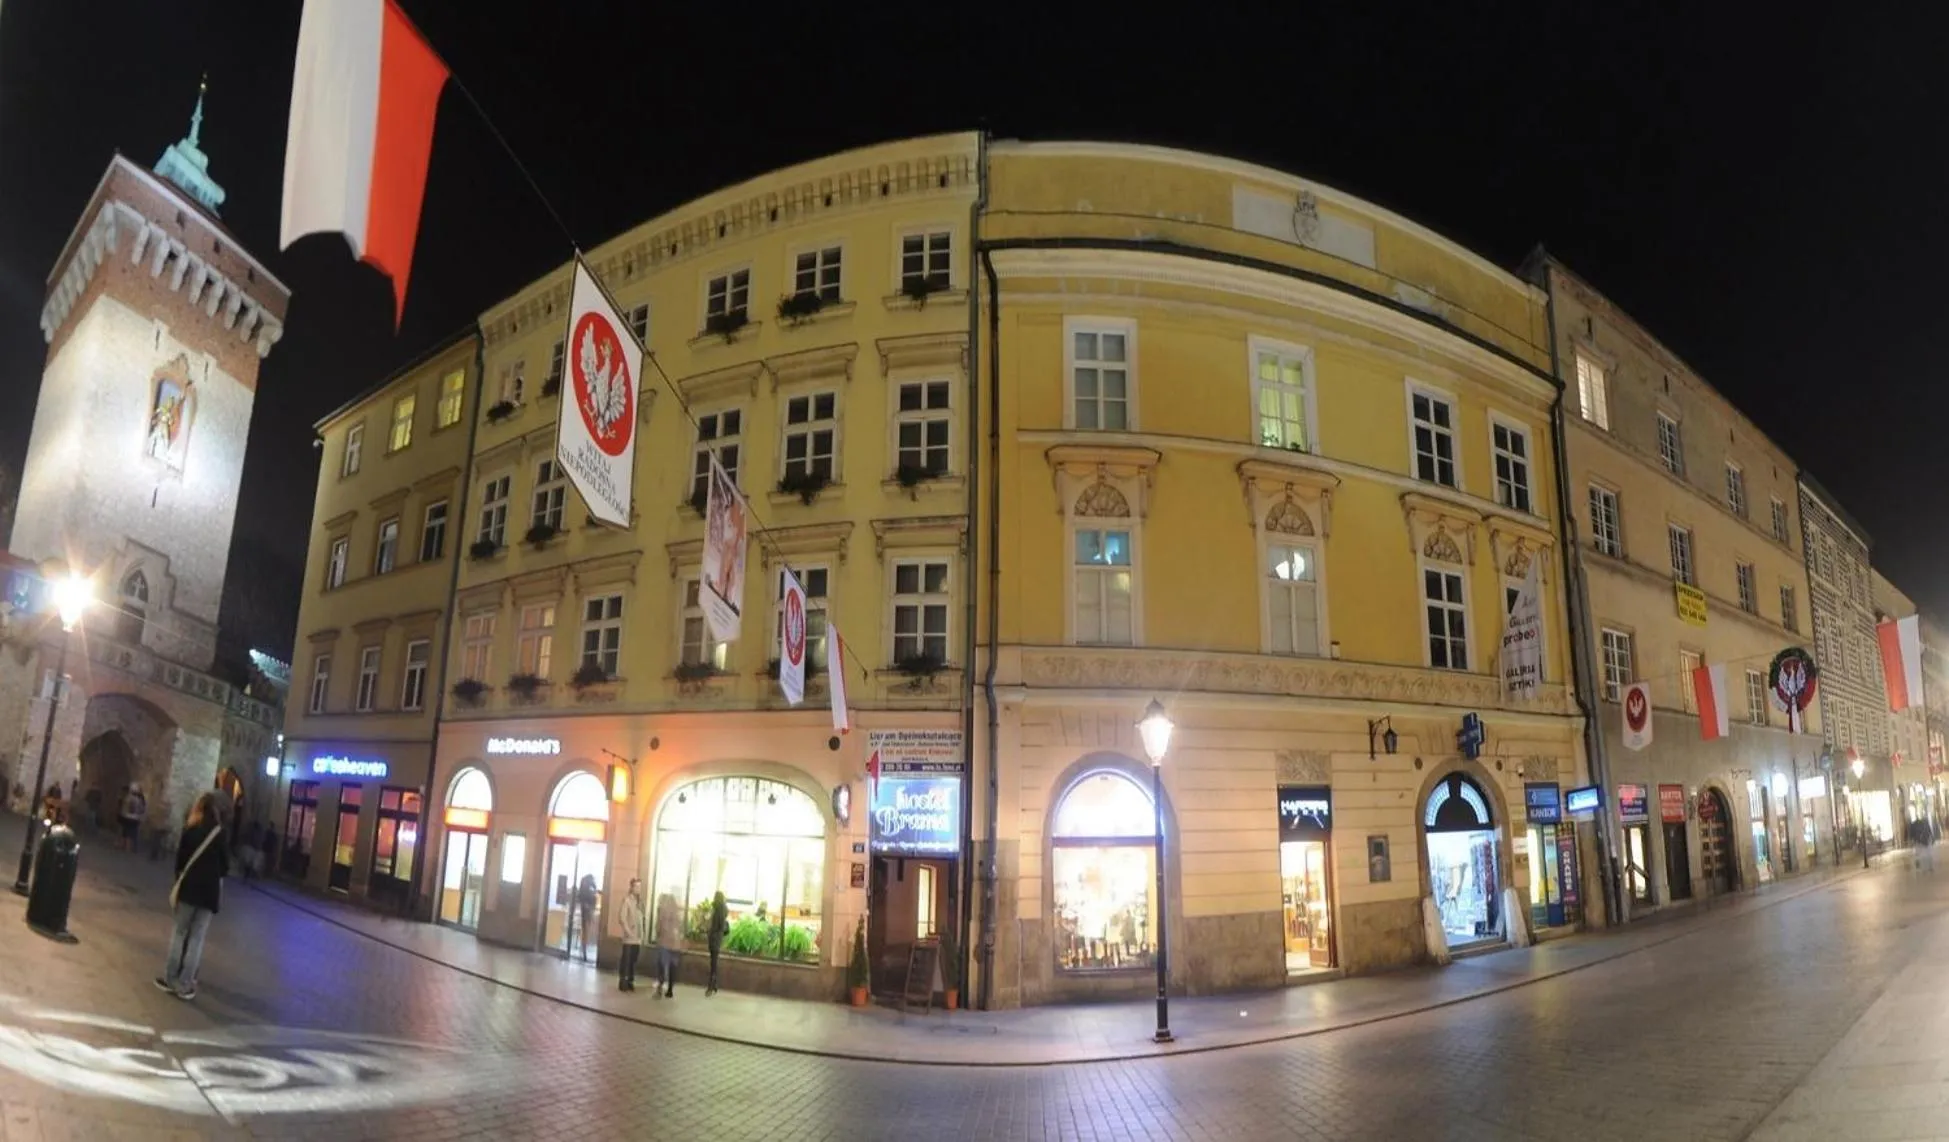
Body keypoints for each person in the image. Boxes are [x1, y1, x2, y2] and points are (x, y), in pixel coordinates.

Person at [156, 793, 228, 1001]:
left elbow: (180, 862)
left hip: (189, 890)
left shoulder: (191, 831)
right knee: (197, 938)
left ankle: (170, 978)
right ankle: (186, 984)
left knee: (179, 933)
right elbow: (225, 867)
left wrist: (180, 879)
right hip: (209, 894)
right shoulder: (220, 834)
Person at [617, 879, 646, 993]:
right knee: (626, 960)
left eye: (640, 887)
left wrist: (642, 934)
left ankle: (630, 981)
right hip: (629, 938)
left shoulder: (640, 903)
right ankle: (623, 981)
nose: (638, 889)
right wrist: (628, 931)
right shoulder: (627, 900)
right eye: (636, 887)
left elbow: (642, 918)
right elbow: (622, 918)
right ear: (632, 888)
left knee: (633, 961)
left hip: (637, 938)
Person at [653, 891, 684, 998]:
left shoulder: (663, 912)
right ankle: (670, 989)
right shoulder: (678, 914)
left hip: (664, 943)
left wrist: (658, 935)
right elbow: (681, 929)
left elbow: (658, 927)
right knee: (673, 967)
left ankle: (660, 987)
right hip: (675, 945)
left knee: (661, 965)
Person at [705, 891, 729, 996]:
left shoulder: (715, 909)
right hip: (718, 938)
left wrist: (710, 932)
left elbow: (713, 924)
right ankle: (714, 984)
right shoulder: (724, 909)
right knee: (714, 961)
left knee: (713, 962)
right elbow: (722, 926)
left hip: (714, 938)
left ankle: (711, 985)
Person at [575, 874, 599, 962]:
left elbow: (580, 898)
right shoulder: (590, 889)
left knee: (585, 931)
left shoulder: (584, 888)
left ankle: (584, 950)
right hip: (588, 912)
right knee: (586, 931)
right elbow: (594, 898)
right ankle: (584, 951)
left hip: (585, 912)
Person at [118, 786, 144, 852]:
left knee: (125, 832)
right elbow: (141, 810)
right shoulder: (139, 800)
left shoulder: (127, 798)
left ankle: (123, 845)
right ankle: (128, 847)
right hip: (135, 818)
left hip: (126, 817)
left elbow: (124, 808)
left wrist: (122, 814)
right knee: (131, 833)